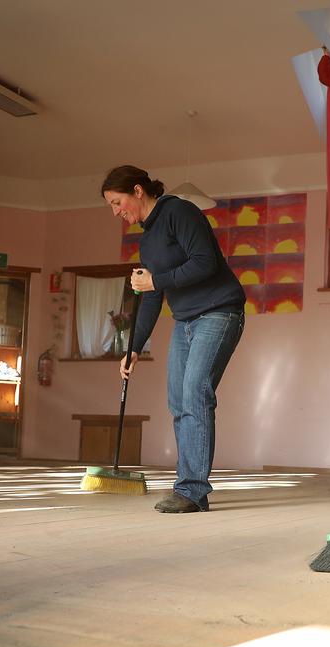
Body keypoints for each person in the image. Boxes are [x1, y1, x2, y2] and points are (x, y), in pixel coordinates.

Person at [102, 165, 246, 514]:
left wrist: (156, 281)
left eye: (117, 202)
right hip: (185, 322)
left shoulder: (179, 212)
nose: (116, 211)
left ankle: (192, 491)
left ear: (138, 191)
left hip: (219, 311)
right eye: (111, 206)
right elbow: (152, 296)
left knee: (196, 390)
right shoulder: (147, 240)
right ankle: (188, 485)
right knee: (178, 401)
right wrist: (134, 347)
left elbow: (205, 263)